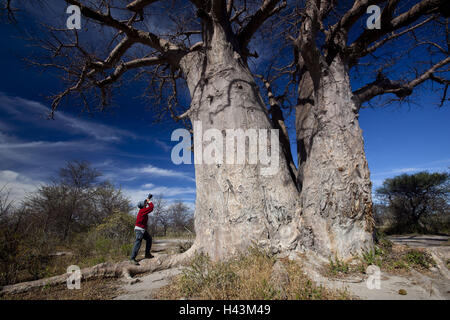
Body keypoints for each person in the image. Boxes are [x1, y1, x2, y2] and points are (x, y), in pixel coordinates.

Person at [130, 193, 154, 265]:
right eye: (145, 204)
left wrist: (147, 200)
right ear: (142, 206)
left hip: (142, 230)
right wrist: (149, 201)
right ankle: (132, 258)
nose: (145, 205)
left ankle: (147, 254)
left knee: (149, 239)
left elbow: (148, 207)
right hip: (139, 230)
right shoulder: (142, 211)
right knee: (138, 243)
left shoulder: (143, 211)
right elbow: (151, 207)